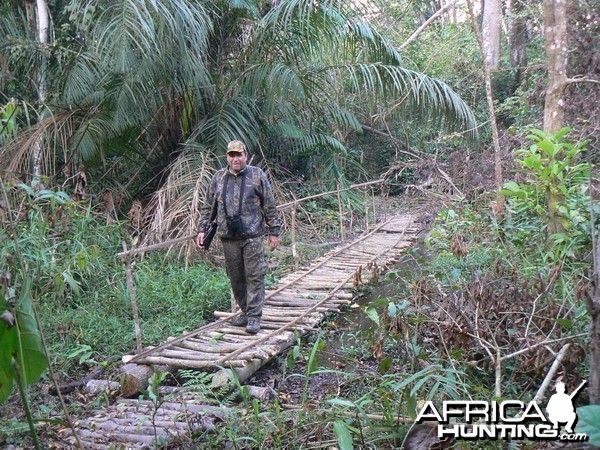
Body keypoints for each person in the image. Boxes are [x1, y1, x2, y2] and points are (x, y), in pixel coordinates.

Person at [196, 140, 281, 334]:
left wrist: (273, 231)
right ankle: (244, 311)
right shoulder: (218, 177)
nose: (235, 158)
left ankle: (254, 317)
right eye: (232, 155)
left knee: (255, 276)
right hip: (228, 237)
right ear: (227, 157)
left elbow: (269, 204)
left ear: (245, 155)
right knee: (236, 277)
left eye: (239, 155)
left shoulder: (256, 175)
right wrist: (202, 230)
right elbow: (209, 207)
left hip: (253, 235)